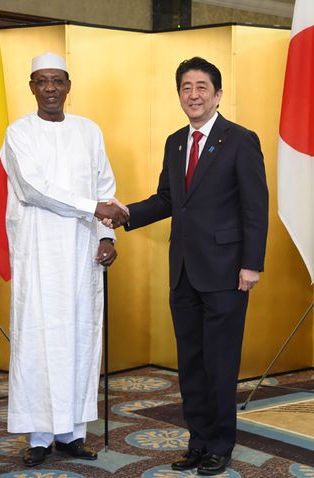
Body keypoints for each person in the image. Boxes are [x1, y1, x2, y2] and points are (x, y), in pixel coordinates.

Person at [110, 57, 268, 475]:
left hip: (227, 273)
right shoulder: (175, 141)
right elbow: (167, 198)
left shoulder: (240, 139)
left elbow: (256, 207)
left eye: (202, 87)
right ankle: (197, 441)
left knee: (220, 363)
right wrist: (127, 212)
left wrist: (252, 264)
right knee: (192, 364)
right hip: (183, 271)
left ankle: (221, 444)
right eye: (185, 87)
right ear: (178, 94)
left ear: (217, 95)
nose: (193, 95)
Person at [0, 52, 129, 467]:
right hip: (38, 255)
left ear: (69, 86)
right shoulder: (18, 132)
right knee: (39, 341)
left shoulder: (89, 131)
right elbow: (33, 189)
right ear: (32, 87)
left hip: (80, 254)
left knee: (78, 339)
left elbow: (106, 185)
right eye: (42, 81)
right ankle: (39, 437)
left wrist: (108, 235)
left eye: (58, 80)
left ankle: (73, 433)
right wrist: (92, 208)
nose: (51, 88)